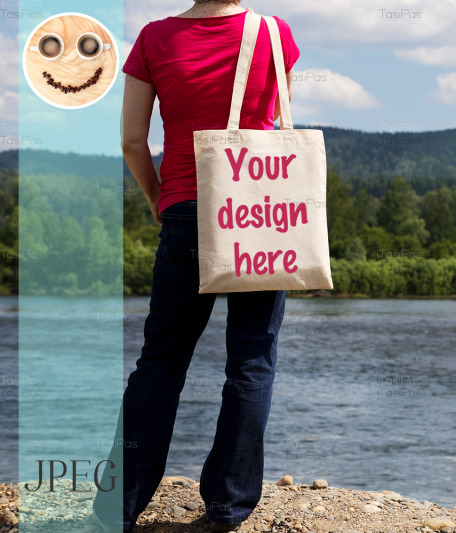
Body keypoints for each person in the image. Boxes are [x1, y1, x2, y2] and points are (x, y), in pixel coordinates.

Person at [85, 1, 300, 532]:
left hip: (185, 207)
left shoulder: (155, 38)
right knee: (251, 361)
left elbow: (133, 140)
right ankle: (228, 507)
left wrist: (163, 199)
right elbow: (274, 125)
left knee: (160, 362)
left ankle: (121, 505)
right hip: (257, 211)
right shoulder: (274, 33)